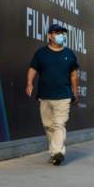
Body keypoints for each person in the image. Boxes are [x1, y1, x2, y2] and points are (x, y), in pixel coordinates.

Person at [26, 23, 80, 165]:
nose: (60, 35)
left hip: (63, 96)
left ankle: (58, 152)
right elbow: (33, 69)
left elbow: (74, 75)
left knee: (59, 124)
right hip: (45, 96)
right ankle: (54, 153)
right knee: (48, 125)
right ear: (50, 35)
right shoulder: (41, 53)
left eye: (62, 33)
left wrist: (75, 92)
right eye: (57, 33)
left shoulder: (69, 54)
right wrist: (29, 83)